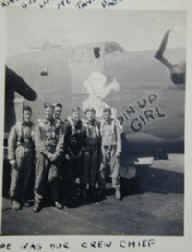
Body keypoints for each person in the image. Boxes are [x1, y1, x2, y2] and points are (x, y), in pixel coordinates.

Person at [33, 103, 63, 212]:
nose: (48, 113)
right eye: (46, 111)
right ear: (44, 111)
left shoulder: (58, 124)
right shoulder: (40, 125)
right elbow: (38, 142)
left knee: (54, 177)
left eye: (50, 111)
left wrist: (56, 153)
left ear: (53, 112)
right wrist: (47, 153)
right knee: (40, 177)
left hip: (54, 155)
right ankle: (38, 201)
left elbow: (61, 140)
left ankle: (55, 200)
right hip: (43, 155)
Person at [8, 105, 35, 210]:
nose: (27, 115)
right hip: (19, 152)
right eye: (26, 114)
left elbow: (36, 140)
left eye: (29, 114)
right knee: (16, 176)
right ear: (23, 115)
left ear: (30, 115)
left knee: (27, 177)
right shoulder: (16, 126)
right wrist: (11, 158)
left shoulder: (33, 126)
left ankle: (23, 197)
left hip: (29, 153)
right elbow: (11, 142)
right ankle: (14, 199)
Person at [63, 107, 86, 204]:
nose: (77, 116)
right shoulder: (68, 125)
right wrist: (66, 153)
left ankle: (77, 195)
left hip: (78, 155)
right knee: (69, 176)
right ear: (72, 115)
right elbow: (64, 141)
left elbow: (84, 140)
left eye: (78, 114)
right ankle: (68, 196)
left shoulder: (81, 126)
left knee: (78, 175)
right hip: (70, 154)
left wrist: (81, 151)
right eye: (75, 114)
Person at [99, 107, 121, 200]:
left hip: (113, 148)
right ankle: (102, 189)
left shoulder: (115, 123)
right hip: (104, 149)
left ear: (110, 114)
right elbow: (100, 137)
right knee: (102, 170)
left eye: (107, 114)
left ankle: (117, 189)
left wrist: (118, 150)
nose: (106, 116)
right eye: (105, 114)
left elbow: (119, 138)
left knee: (115, 171)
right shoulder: (101, 124)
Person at [83, 108, 101, 201]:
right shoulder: (83, 124)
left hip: (94, 149)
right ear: (86, 115)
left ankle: (92, 187)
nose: (90, 116)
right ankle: (86, 188)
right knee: (86, 169)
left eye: (92, 114)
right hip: (86, 149)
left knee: (93, 169)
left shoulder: (97, 124)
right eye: (88, 114)